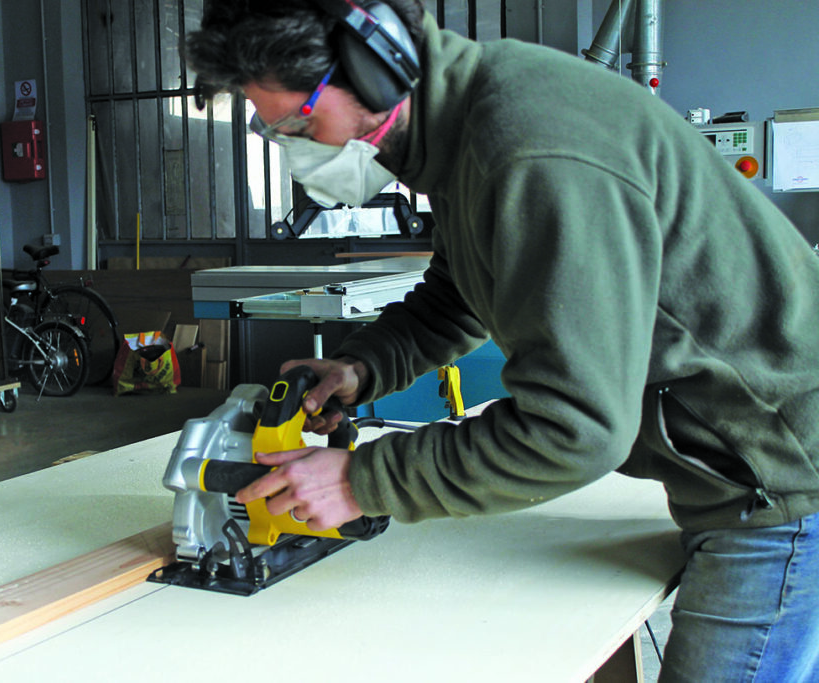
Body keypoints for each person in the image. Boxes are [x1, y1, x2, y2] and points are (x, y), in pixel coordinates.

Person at [184, 2, 819, 680]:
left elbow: (574, 429)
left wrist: (361, 479)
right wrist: (360, 369)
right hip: (728, 467)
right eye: (276, 129)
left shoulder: (529, 147)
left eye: (301, 121)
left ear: (376, 68)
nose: (297, 147)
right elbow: (458, 295)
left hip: (781, 484)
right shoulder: (464, 134)